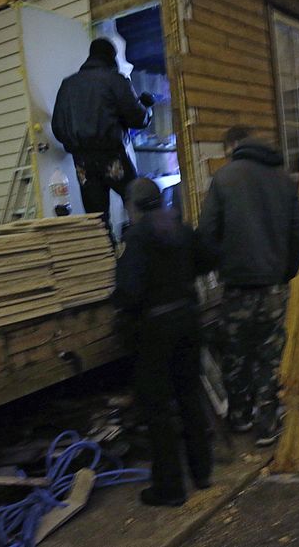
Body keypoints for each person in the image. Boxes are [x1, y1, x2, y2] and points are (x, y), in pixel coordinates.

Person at [197, 126, 299, 447]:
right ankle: (268, 422)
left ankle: (241, 416)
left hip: (237, 286)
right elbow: (298, 233)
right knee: (268, 354)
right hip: (273, 285)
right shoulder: (282, 179)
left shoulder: (224, 179)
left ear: (231, 146)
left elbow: (207, 233)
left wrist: (215, 266)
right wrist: (285, 273)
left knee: (236, 352)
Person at [113, 178, 214, 507]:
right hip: (188, 319)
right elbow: (207, 259)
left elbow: (129, 291)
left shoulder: (136, 236)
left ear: (134, 205)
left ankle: (170, 488)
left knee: (157, 410)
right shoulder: (181, 227)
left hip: (156, 330)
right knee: (190, 398)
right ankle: (202, 472)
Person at [52, 38, 155, 228]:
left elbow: (57, 128)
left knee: (97, 221)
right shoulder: (115, 80)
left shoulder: (67, 85)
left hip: (82, 162)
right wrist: (147, 107)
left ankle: (106, 255)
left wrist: (76, 145)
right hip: (113, 158)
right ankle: (143, 252)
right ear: (111, 57)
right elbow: (137, 119)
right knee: (138, 206)